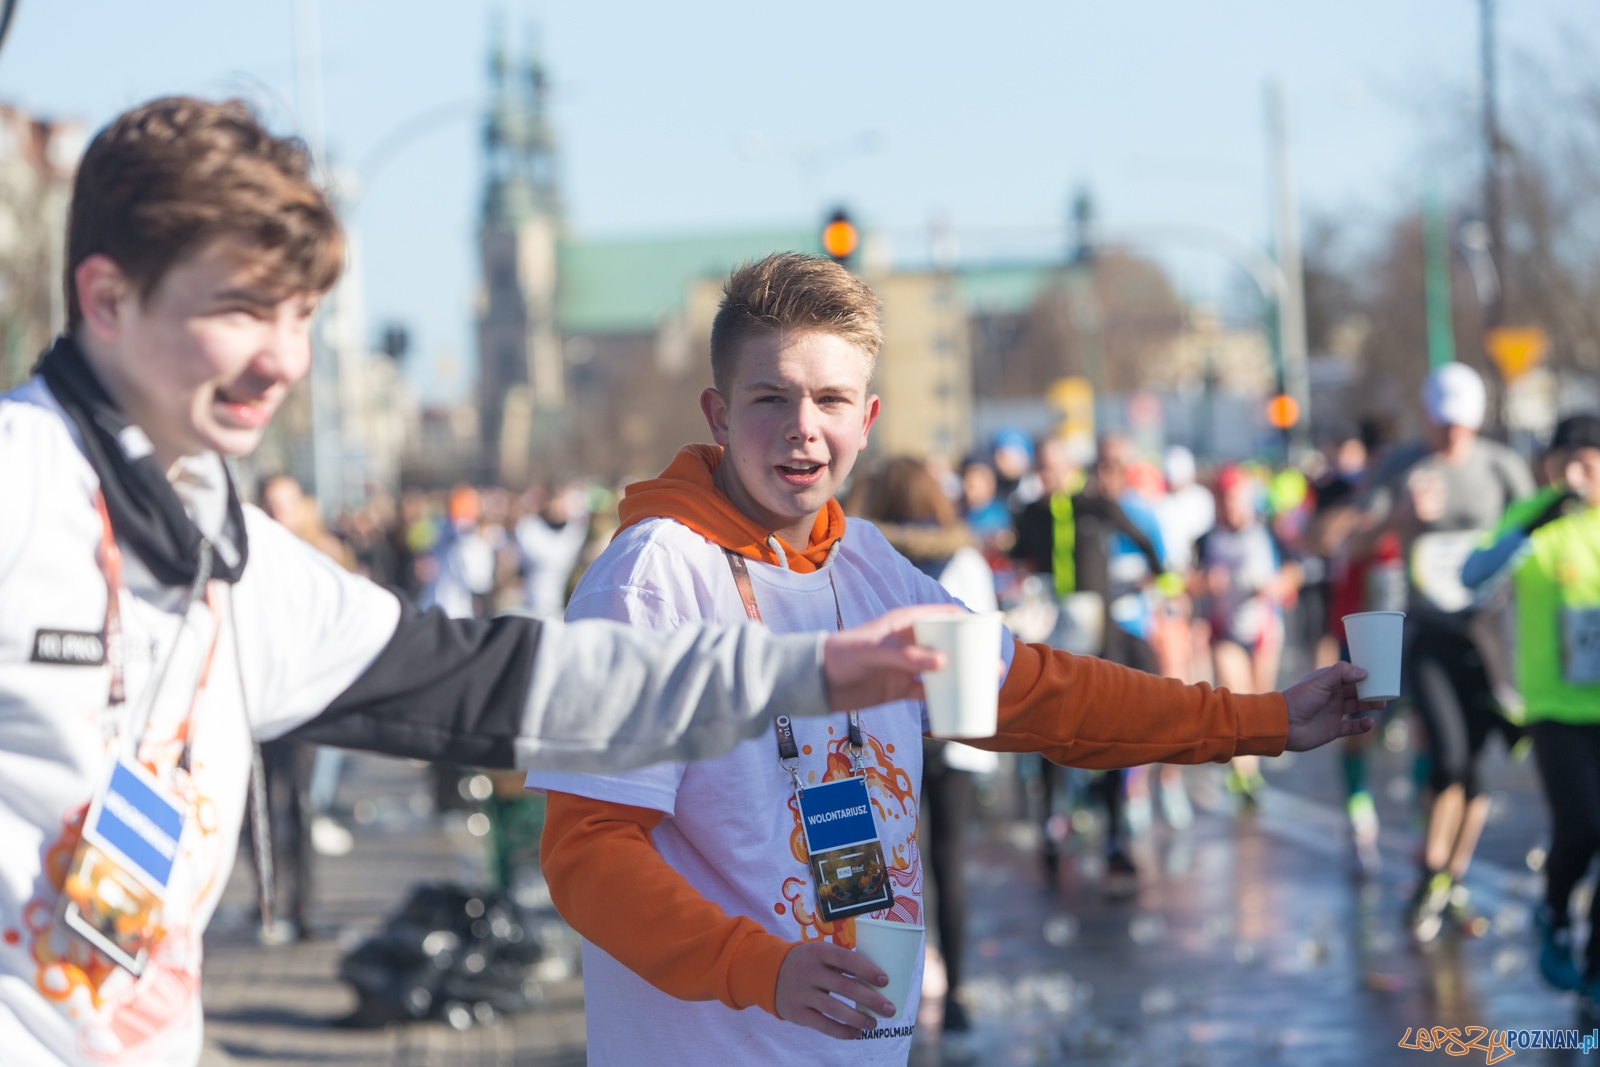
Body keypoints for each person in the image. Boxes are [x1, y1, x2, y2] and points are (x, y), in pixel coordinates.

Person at [0, 98, 952, 1067]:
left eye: (300, 315)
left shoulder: (225, 547)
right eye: (242, 309)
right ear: (109, 298)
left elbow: (497, 684)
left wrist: (810, 671)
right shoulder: (18, 495)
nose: (285, 359)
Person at [531, 252, 1379, 1066]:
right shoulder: (650, 580)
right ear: (719, 416)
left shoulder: (867, 564)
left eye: (831, 399)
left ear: (866, 419)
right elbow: (588, 852)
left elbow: (1047, 696)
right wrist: (762, 968)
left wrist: (1260, 720)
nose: (803, 429)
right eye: (770, 398)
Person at [1350, 361, 1534, 940]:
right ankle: (1431, 870)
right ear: (1427, 415)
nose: (1451, 433)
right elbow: (1352, 543)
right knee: (1448, 755)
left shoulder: (1502, 467)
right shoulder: (1402, 465)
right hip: (1424, 631)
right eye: (1441, 422)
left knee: (1477, 771)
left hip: (1486, 636)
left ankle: (1448, 880)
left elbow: (1535, 532)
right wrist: (1401, 517)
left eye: (1461, 423)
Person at [846, 456, 999, 1034]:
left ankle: (876, 1001)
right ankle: (956, 991)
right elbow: (985, 644)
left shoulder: (861, 559)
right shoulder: (964, 557)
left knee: (868, 871)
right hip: (951, 732)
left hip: (877, 739)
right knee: (947, 862)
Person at [1462, 414, 1600, 997]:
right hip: (1554, 708)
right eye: (1565, 464)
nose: (1577, 476)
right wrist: (1526, 532)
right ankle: (1555, 914)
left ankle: (1596, 968)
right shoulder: (1536, 515)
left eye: (1589, 463)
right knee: (1583, 827)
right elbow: (1473, 577)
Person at [1197, 466, 1298, 806]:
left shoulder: (1266, 532)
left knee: (1258, 704)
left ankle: (1248, 767)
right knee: (1237, 699)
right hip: (1226, 629)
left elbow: (1293, 570)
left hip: (1263, 629)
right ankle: (1245, 776)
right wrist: (1206, 583)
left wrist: (1276, 586)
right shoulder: (1207, 538)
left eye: (1235, 499)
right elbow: (1188, 579)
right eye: (1224, 500)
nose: (1231, 507)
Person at [514, 479, 592, 618]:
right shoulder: (528, 527)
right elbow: (541, 556)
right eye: (556, 500)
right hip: (531, 604)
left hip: (562, 605)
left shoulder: (576, 531)